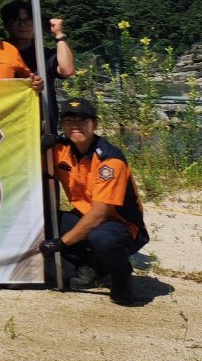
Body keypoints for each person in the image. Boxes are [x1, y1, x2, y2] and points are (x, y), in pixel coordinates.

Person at [39, 98, 149, 306]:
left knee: (102, 238)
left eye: (82, 120)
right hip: (83, 216)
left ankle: (121, 277)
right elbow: (27, 169)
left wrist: (60, 243)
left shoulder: (110, 160)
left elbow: (99, 215)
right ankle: (92, 264)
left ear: (95, 124)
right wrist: (38, 149)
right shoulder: (59, 148)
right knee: (42, 221)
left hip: (119, 225)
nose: (75, 126)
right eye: (69, 121)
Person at [1, 0, 76, 130]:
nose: (23, 25)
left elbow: (67, 70)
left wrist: (59, 34)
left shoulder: (44, 54)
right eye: (17, 20)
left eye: (28, 20)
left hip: (42, 124)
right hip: (6, 124)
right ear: (6, 25)